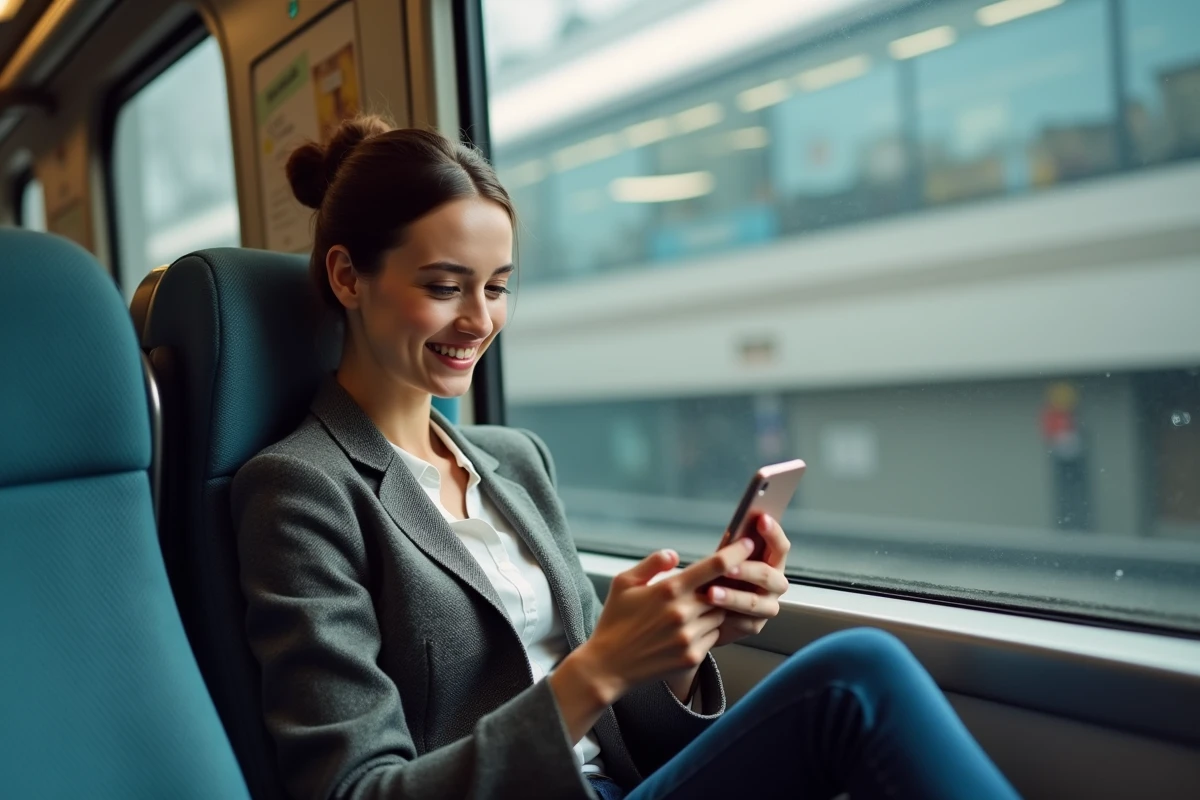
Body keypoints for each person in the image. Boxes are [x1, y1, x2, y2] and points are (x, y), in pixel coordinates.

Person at [231, 115, 1022, 800]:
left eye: (498, 287)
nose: (479, 320)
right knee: (859, 675)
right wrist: (599, 667)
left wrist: (676, 647)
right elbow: (357, 790)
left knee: (858, 679)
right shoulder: (302, 489)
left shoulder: (515, 462)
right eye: (445, 286)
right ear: (348, 278)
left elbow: (624, 740)